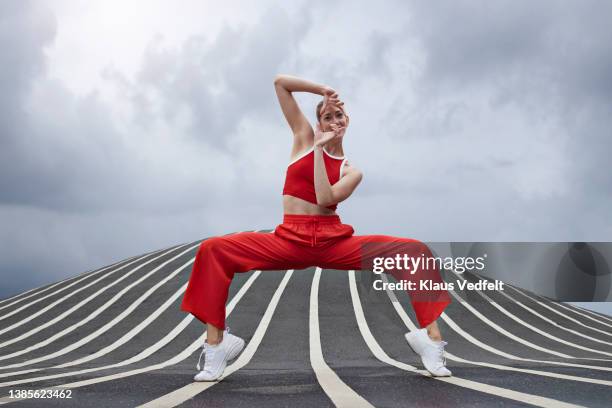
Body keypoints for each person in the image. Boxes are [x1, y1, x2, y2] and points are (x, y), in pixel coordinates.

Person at [181, 74, 452, 381]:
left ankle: (431, 341)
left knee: (414, 252)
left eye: (338, 115)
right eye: (326, 116)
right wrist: (321, 91)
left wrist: (323, 151)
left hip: (331, 241)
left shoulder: (351, 171)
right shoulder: (302, 139)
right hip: (288, 238)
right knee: (213, 249)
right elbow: (280, 83)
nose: (333, 120)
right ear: (319, 122)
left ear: (347, 121)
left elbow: (325, 197)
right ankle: (217, 345)